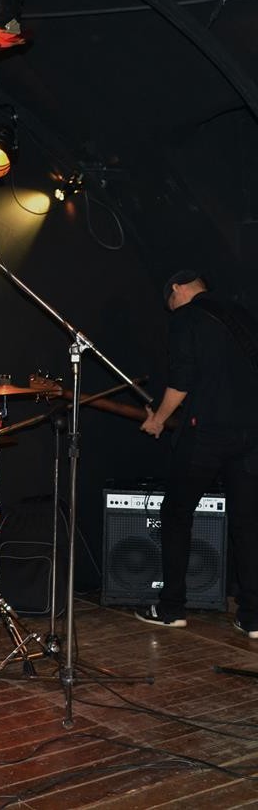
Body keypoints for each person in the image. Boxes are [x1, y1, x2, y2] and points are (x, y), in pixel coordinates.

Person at [135, 269, 258, 638]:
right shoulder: (241, 313)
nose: (171, 309)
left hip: (206, 433)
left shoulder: (186, 318)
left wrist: (158, 419)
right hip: (250, 433)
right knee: (247, 523)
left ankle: (172, 608)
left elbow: (181, 382)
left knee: (176, 514)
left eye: (170, 302)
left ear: (177, 289)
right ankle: (253, 617)